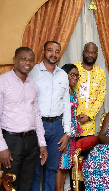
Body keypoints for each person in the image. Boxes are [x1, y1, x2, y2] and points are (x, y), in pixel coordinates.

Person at [0, 47, 47, 190]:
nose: (27, 62)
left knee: (26, 183)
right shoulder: (3, 82)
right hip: (11, 141)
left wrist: (42, 143)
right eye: (23, 58)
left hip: (31, 142)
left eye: (31, 60)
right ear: (14, 60)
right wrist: (2, 147)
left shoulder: (33, 85)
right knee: (8, 183)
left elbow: (37, 115)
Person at [30, 41, 72, 191]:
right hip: (36, 125)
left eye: (57, 51)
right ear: (44, 51)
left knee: (52, 169)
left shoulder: (62, 75)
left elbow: (67, 104)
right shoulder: (33, 72)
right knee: (35, 170)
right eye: (50, 50)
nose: (53, 54)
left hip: (57, 127)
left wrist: (67, 133)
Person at [56, 64, 83, 191]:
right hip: (63, 132)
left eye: (77, 75)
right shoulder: (62, 91)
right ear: (64, 75)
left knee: (65, 165)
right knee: (59, 165)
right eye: (72, 74)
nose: (75, 77)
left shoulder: (73, 90)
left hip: (72, 133)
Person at [74, 42, 106, 138]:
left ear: (97, 54)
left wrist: (89, 115)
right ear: (83, 53)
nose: (90, 55)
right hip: (73, 120)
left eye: (93, 52)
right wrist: (77, 114)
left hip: (90, 124)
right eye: (88, 52)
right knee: (71, 151)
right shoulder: (74, 69)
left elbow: (101, 97)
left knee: (87, 150)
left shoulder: (100, 73)